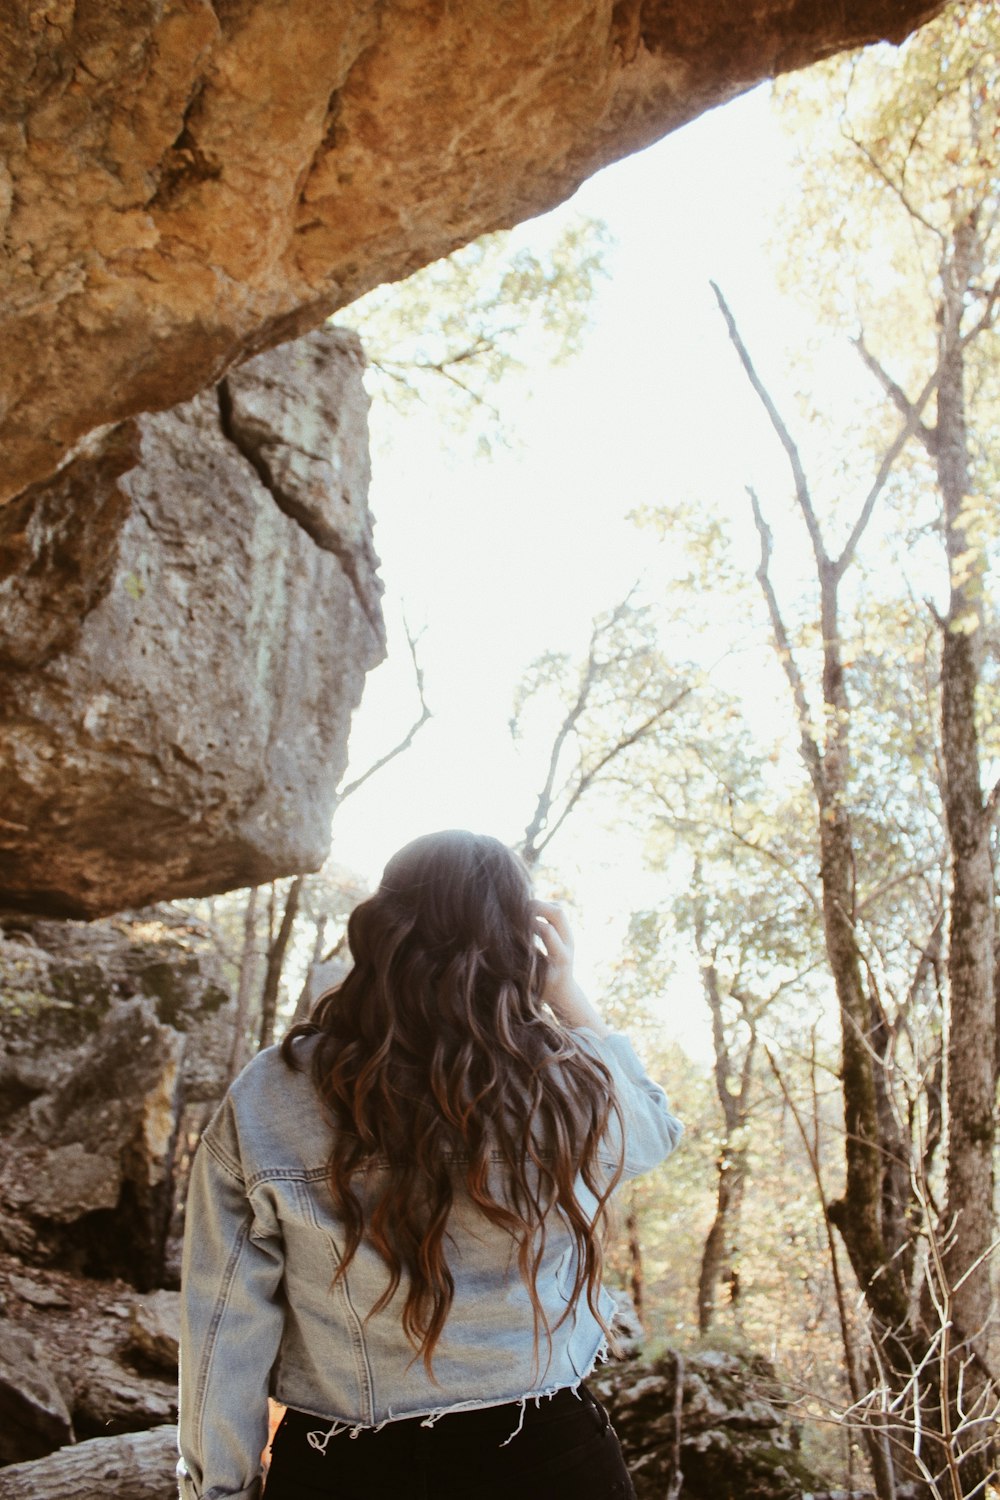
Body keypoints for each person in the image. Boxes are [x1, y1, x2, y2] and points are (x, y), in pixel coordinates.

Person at [178, 830, 683, 1500]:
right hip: (551, 1457)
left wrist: (219, 1490)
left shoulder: (272, 1091)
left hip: (347, 1469)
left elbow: (221, 1322)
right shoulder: (569, 1083)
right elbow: (655, 1130)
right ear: (521, 943)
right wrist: (568, 992)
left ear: (381, 930)